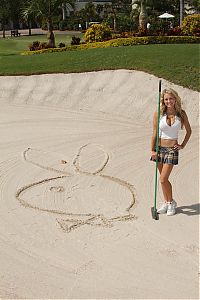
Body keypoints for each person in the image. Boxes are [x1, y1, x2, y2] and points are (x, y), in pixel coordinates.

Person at [150, 88, 192, 216]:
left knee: (163, 179)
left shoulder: (181, 114)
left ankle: (171, 203)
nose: (169, 101)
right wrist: (152, 149)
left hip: (172, 150)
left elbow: (189, 131)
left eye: (171, 98)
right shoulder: (159, 113)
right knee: (163, 179)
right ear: (163, 100)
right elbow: (155, 132)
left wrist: (182, 145)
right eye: (166, 99)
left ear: (175, 99)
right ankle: (167, 202)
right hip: (159, 148)